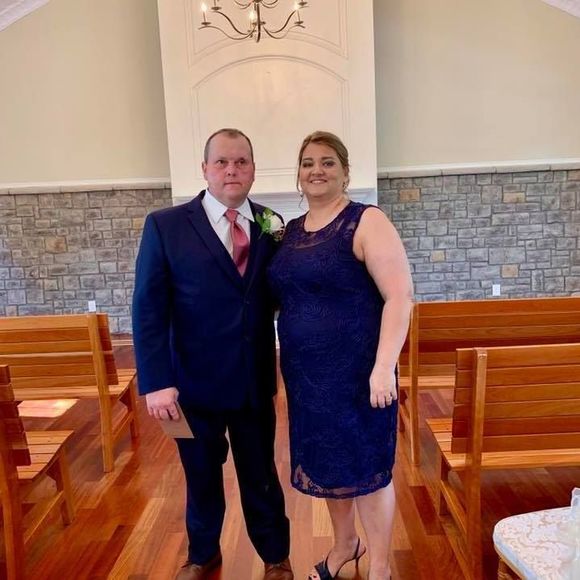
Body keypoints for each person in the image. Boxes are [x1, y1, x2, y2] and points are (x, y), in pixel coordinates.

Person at [132, 128, 293, 580]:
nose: (231, 170)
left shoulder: (272, 225)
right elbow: (148, 308)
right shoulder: (165, 226)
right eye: (222, 161)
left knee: (261, 476)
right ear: (205, 169)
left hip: (253, 383)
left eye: (241, 161)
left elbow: (279, 295)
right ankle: (202, 555)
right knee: (201, 476)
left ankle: (276, 556)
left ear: (253, 170)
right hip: (191, 386)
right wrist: (156, 382)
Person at [268, 131, 413, 580]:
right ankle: (345, 544)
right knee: (330, 465)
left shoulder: (366, 221)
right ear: (298, 174)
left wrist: (384, 368)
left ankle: (380, 567)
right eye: (308, 162)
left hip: (359, 376)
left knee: (367, 469)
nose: (317, 170)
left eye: (328, 162)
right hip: (307, 379)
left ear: (345, 172)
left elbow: (400, 297)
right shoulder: (289, 232)